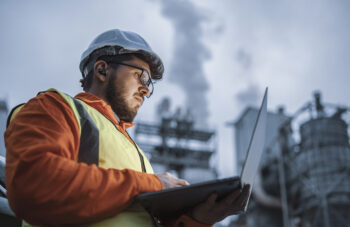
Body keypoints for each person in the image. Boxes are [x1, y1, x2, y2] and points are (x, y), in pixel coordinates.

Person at [4, 29, 250, 226]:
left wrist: (197, 219)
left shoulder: (135, 152)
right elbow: (35, 185)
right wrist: (153, 184)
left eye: (149, 85)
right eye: (140, 76)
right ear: (102, 70)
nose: (145, 89)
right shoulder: (55, 107)